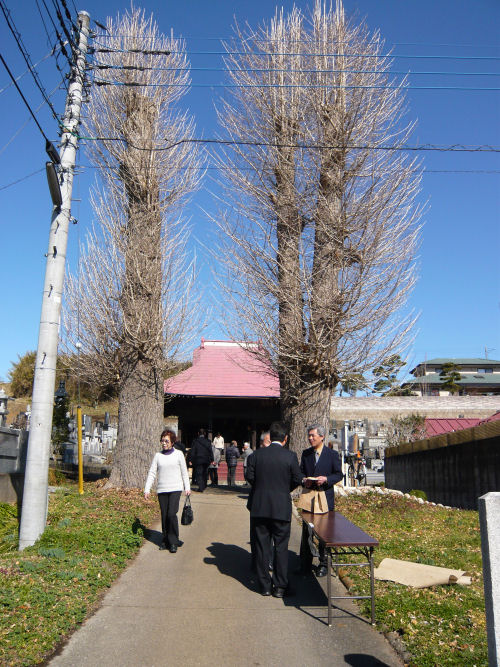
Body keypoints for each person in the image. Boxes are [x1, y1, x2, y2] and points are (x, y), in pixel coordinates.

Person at [245, 421, 303, 597]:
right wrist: (285, 489)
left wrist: (262, 487)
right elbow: (297, 478)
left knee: (262, 547)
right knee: (281, 547)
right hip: (280, 506)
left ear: (270, 437)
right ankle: (280, 586)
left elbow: (250, 477)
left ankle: (264, 585)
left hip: (260, 505)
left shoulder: (256, 456)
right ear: (285, 439)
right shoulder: (290, 456)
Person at [299, 423, 343, 577]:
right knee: (307, 531)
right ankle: (305, 562)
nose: (310, 438)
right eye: (309, 436)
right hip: (309, 497)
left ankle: (324, 563)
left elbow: (339, 474)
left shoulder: (331, 454)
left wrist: (326, 479)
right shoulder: (306, 454)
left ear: (322, 436)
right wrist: (305, 480)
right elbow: (300, 473)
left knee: (325, 532)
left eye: (313, 435)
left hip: (325, 497)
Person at [144, 429, 191, 553]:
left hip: (175, 488)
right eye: (162, 440)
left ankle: (174, 541)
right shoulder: (158, 456)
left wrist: (187, 487)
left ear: (172, 442)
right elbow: (152, 472)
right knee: (164, 516)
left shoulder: (179, 454)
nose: (164, 443)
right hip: (162, 489)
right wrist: (147, 489)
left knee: (171, 514)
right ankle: (165, 540)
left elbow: (184, 472)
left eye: (166, 441)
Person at [188, 428, 213, 492]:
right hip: (206, 459)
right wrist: (212, 459)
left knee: (199, 474)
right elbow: (210, 451)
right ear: (205, 434)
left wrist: (191, 459)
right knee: (205, 473)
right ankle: (204, 486)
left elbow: (193, 451)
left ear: (198, 433)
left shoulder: (195, 441)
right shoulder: (208, 441)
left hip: (198, 459)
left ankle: (201, 487)